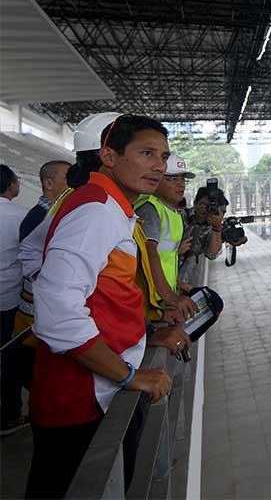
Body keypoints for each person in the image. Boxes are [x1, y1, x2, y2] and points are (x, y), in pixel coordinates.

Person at [26, 115, 173, 499]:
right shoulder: (95, 209)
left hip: (99, 390)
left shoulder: (111, 207)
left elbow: (106, 296)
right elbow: (57, 313)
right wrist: (128, 375)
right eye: (146, 153)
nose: (159, 165)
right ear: (108, 155)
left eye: (163, 155)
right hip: (83, 399)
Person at [11, 161, 71, 407]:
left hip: (40, 323)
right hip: (32, 325)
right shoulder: (41, 217)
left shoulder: (53, 212)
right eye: (68, 178)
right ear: (48, 183)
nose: (74, 184)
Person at [134, 154, 198, 320]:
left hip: (160, 297)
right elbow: (150, 253)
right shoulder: (150, 210)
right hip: (150, 301)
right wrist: (171, 297)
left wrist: (179, 284)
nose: (181, 184)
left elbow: (167, 257)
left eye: (183, 179)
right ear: (155, 180)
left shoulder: (171, 212)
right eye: (172, 178)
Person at [0, 165, 29, 436]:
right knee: (8, 358)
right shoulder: (21, 216)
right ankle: (9, 415)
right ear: (10, 186)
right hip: (7, 299)